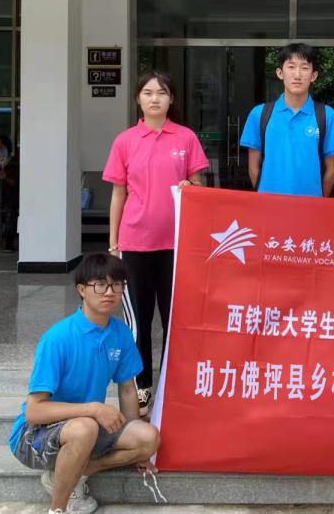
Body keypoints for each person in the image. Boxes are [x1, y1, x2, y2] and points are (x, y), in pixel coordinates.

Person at [9, 253, 160, 514]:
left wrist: (137, 446)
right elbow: (34, 411)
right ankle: (58, 509)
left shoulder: (121, 334)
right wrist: (94, 409)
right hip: (35, 435)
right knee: (85, 427)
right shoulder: (58, 339)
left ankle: (77, 471)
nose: (109, 292)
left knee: (148, 438)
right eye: (100, 285)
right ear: (81, 290)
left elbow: (127, 389)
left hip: (86, 426)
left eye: (116, 284)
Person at [103, 71, 209, 415]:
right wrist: (114, 244)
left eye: (161, 93)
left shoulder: (186, 138)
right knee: (139, 322)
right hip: (135, 244)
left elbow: (200, 187)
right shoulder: (125, 141)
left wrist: (193, 187)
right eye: (147, 92)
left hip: (177, 245)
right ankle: (142, 388)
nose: (154, 98)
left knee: (176, 320)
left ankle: (173, 387)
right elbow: (118, 194)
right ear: (138, 98)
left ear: (171, 99)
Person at [240, 43, 334, 197]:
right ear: (280, 73)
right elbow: (253, 167)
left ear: (314, 75)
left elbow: (332, 171)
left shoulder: (327, 116)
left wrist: (318, 200)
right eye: (291, 67)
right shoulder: (259, 114)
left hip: (310, 207)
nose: (297, 75)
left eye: (304, 67)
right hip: (269, 205)